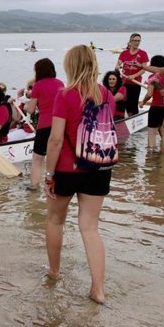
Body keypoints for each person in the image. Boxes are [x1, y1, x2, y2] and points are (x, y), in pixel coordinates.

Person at [44, 45, 117, 304]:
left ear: (70, 66)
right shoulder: (106, 93)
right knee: (90, 228)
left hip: (67, 168)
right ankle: (98, 289)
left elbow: (55, 139)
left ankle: (54, 273)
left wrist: (48, 173)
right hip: (98, 167)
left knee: (55, 220)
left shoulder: (65, 95)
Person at [23, 58, 64, 190]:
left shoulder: (38, 86)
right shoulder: (60, 83)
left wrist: (25, 105)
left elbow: (30, 110)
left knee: (37, 160)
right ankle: (56, 184)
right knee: (58, 157)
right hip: (60, 125)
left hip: (44, 125)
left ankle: (34, 186)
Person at [115, 33, 149, 116]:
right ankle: (122, 117)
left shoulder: (143, 53)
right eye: (135, 41)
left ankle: (134, 118)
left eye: (139, 41)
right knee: (122, 102)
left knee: (133, 103)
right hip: (124, 82)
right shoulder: (124, 53)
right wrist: (117, 68)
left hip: (135, 82)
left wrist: (134, 76)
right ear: (130, 41)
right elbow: (118, 64)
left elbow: (144, 69)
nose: (137, 43)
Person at [139, 55, 164, 149]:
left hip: (156, 107)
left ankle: (151, 156)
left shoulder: (153, 77)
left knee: (152, 134)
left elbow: (149, 94)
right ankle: (163, 155)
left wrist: (143, 102)